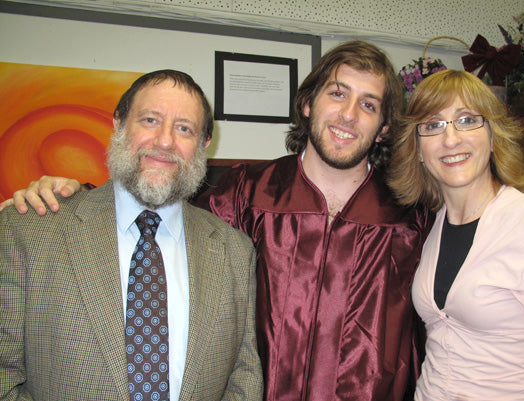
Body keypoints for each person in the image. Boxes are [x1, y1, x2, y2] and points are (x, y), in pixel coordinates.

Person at [1, 41, 433, 400]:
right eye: (337, 94)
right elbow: (154, 204)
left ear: (383, 129)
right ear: (306, 104)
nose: (349, 115)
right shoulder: (246, 194)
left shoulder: (412, 217)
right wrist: (74, 194)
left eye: (369, 104)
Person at [0, 70, 263, 400]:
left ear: (203, 144)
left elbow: (244, 377)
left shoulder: (235, 251)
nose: (165, 141)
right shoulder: (28, 229)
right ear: (119, 123)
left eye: (184, 128)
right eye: (150, 120)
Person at [387, 69, 524, 400]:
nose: (451, 139)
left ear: (492, 134)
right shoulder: (432, 227)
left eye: (467, 120)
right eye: (432, 126)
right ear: (417, 149)